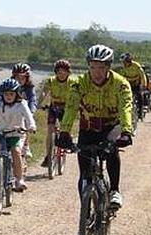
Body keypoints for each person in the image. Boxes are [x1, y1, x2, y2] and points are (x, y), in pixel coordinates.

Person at [57, 44, 133, 208]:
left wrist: (126, 131)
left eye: (101, 67)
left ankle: (114, 190)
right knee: (84, 173)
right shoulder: (79, 84)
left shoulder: (121, 84)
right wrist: (64, 131)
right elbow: (71, 107)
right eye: (92, 67)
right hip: (88, 128)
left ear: (108, 67)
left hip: (111, 127)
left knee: (112, 151)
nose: (96, 72)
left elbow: (126, 107)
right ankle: (86, 211)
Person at [38, 59, 74, 167]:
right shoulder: (51, 81)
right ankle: (48, 155)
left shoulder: (72, 82)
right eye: (59, 72)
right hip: (54, 107)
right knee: (50, 131)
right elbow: (44, 92)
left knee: (65, 128)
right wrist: (39, 103)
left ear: (68, 72)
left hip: (67, 108)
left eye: (64, 71)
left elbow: (78, 93)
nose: (62, 74)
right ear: (56, 72)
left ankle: (68, 141)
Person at [10, 62, 37, 159]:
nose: (20, 80)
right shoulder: (9, 87)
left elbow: (33, 100)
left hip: (25, 111)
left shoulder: (30, 88)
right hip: (12, 111)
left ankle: (26, 146)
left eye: (22, 78)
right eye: (17, 78)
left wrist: (31, 112)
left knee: (26, 124)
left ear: (27, 78)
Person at [116, 52, 147, 125]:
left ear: (128, 60)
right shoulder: (124, 68)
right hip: (128, 83)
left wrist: (144, 84)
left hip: (136, 83)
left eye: (124, 62)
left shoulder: (136, 65)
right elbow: (122, 78)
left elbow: (142, 75)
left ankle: (140, 113)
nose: (123, 64)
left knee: (140, 96)